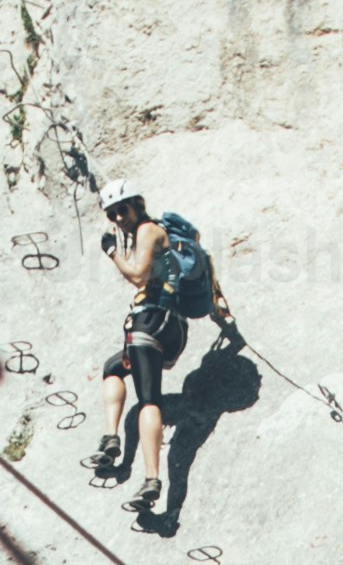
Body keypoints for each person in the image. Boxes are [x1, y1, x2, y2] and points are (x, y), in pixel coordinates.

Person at [89, 192, 236, 533]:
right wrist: (222, 317)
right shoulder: (169, 241)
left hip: (151, 320)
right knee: (114, 368)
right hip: (171, 330)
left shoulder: (147, 229)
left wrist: (113, 253)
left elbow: (139, 276)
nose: (118, 219)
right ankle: (112, 440)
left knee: (149, 400)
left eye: (121, 210)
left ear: (137, 204)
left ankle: (150, 478)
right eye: (112, 215)